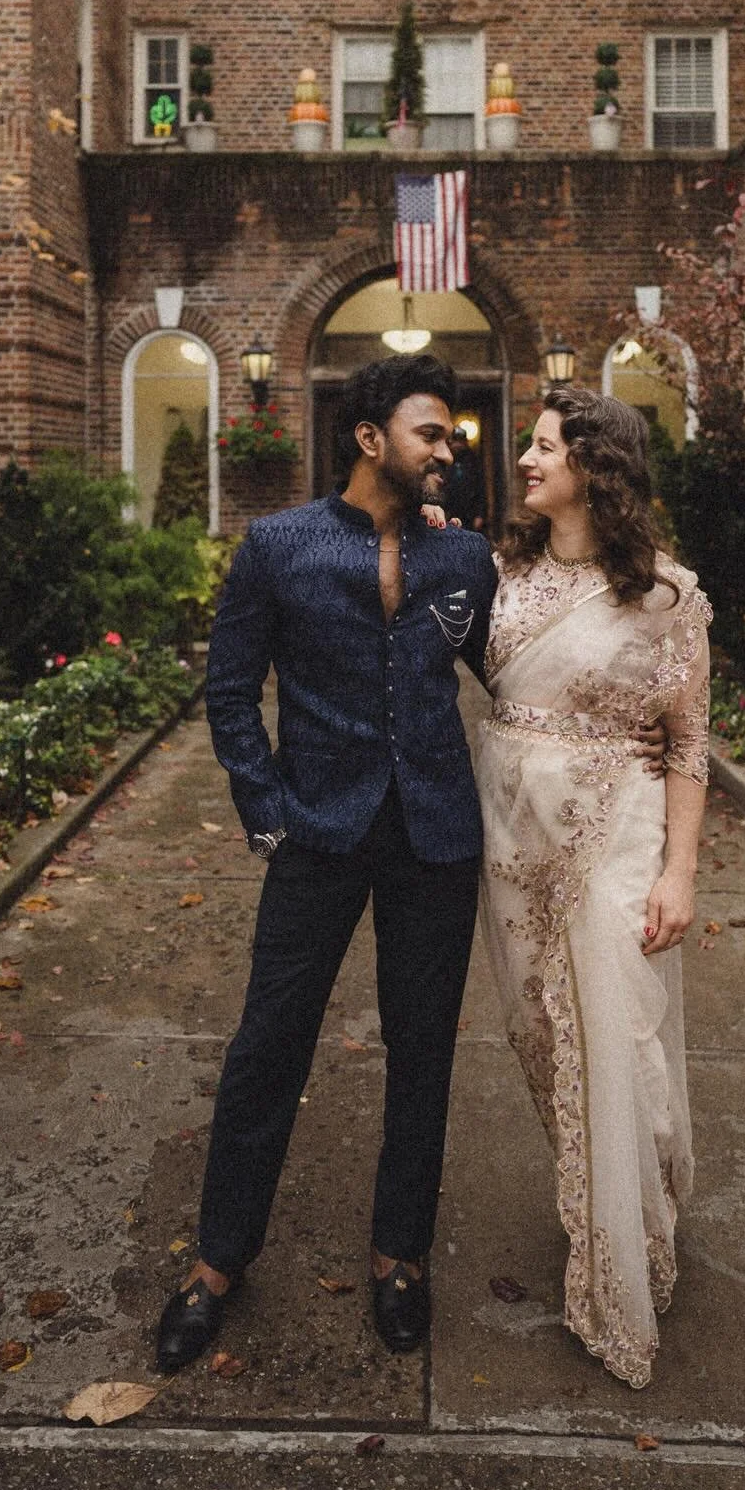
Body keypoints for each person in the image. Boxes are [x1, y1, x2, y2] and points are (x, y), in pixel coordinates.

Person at [153, 354, 500, 1370]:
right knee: (269, 1045)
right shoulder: (277, 547)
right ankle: (216, 1264)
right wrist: (266, 814)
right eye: (430, 434)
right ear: (369, 438)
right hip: (319, 833)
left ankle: (402, 1259)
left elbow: (517, 676)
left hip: (437, 836)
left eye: (449, 437)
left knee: (423, 1051)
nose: (448, 450)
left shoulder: (465, 560)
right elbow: (228, 694)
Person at [475, 385, 710, 1389]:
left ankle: (626, 1261)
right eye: (527, 448)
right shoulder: (499, 575)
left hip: (617, 839)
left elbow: (691, 742)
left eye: (542, 450)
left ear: (594, 470)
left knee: (622, 1035)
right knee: (546, 1041)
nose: (525, 463)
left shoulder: (667, 597)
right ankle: (610, 1199)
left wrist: (680, 871)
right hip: (511, 849)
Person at [441, 425, 486, 531]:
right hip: (450, 510)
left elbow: (480, 488)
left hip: (469, 511)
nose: (456, 445)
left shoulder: (473, 461)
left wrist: (480, 514)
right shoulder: (446, 460)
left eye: (459, 442)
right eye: (454, 442)